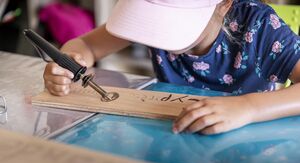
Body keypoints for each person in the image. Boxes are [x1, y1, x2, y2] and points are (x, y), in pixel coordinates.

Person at [43, 0, 300, 135]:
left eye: (169, 22)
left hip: (247, 141)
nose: (155, 30)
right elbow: (86, 44)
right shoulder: (149, 17)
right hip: (172, 131)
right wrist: (69, 61)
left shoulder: (261, 26)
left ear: (224, 4)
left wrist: (248, 107)